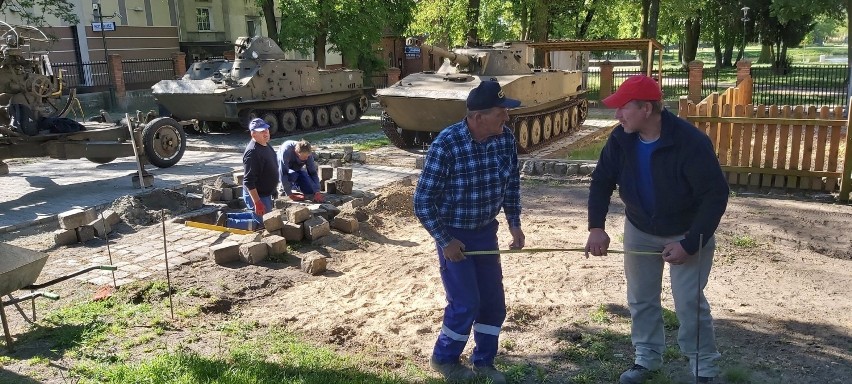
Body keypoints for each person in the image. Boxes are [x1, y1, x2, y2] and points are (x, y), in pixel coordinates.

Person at [584, 75, 729, 384]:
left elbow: (715, 196)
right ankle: (647, 359)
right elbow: (601, 181)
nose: (617, 116)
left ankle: (704, 368)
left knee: (688, 300)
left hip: (687, 230)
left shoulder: (690, 142)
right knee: (641, 296)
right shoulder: (621, 139)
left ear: (646, 109)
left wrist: (689, 244)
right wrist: (596, 227)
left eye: (623, 108)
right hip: (640, 227)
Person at [413, 80, 525, 384]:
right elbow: (422, 201)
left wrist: (514, 222)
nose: (506, 117)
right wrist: (445, 240)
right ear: (477, 118)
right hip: (455, 237)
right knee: (466, 303)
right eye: (501, 112)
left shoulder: (504, 140)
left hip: (486, 232)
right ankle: (444, 359)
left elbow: (511, 183)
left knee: (492, 302)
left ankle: (484, 362)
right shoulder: (446, 145)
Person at [216, 118, 279, 231]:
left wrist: (273, 189)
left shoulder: (266, 145)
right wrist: (257, 202)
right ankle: (228, 222)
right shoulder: (253, 153)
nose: (266, 133)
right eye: (261, 131)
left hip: (265, 193)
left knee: (263, 218)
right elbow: (249, 181)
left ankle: (226, 216)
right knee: (263, 225)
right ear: (253, 134)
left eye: (266, 129)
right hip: (256, 195)